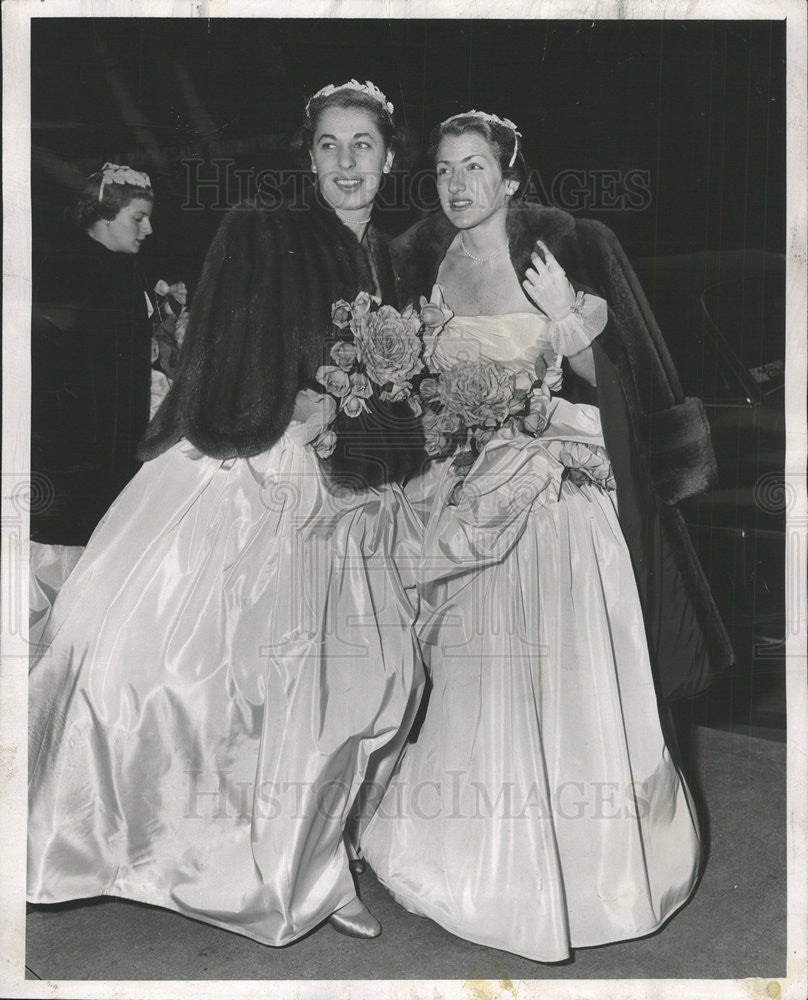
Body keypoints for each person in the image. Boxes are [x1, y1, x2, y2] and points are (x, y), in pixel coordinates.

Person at [27, 81, 424, 945]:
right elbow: (216, 346)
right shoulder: (266, 227)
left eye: (363, 146)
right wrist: (290, 410)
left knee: (371, 680)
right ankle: (164, 848)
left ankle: (316, 852)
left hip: (351, 491)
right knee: (193, 672)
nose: (346, 164)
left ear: (390, 159)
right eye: (329, 146)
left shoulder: (390, 257)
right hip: (255, 467)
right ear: (308, 155)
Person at [361, 110, 733, 961]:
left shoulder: (558, 255)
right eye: (447, 169)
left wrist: (571, 321)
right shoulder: (425, 262)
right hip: (468, 495)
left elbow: (623, 387)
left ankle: (590, 873)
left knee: (569, 688)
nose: (459, 185)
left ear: (512, 179)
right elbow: (416, 395)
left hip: (556, 498)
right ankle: (482, 865)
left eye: (477, 168)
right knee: (478, 686)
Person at [29, 164, 155, 648]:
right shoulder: (70, 266)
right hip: (72, 469)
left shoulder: (122, 269)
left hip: (111, 462)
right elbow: (48, 365)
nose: (148, 229)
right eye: (138, 218)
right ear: (105, 215)